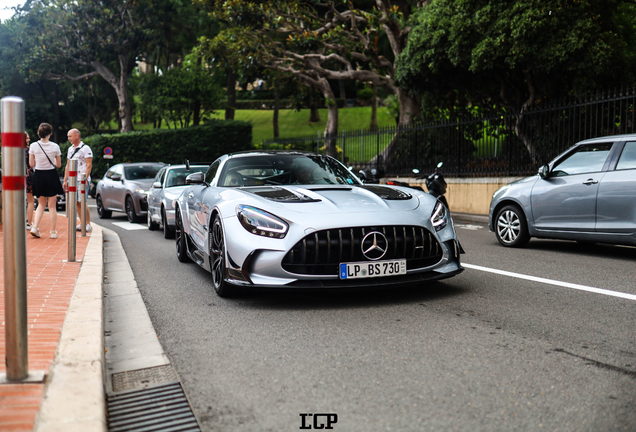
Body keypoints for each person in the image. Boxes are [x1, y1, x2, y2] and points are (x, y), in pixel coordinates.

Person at [29, 123, 64, 239]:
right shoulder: (55, 146)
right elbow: (59, 165)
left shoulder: (33, 146)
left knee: (41, 204)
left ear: (39, 133)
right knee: (52, 205)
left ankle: (35, 227)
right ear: (50, 133)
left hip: (38, 175)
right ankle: (53, 232)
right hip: (51, 175)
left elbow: (31, 164)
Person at [63, 128, 93, 232]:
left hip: (81, 179)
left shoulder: (86, 148)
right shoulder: (70, 149)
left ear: (76, 136)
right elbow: (67, 165)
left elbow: (89, 165)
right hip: (72, 180)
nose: (68, 138)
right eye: (68, 136)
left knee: (82, 201)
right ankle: (82, 222)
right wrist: (65, 180)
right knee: (76, 202)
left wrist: (85, 178)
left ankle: (88, 224)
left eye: (70, 136)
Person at [25, 132, 35, 230]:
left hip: (16, 177)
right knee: (30, 201)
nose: (29, 140)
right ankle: (29, 222)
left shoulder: (14, 151)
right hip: (28, 176)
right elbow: (32, 164)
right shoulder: (29, 150)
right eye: (27, 138)